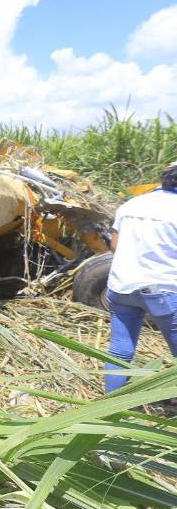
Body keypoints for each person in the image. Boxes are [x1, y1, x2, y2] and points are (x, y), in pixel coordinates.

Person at [105, 161, 177, 392]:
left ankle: (111, 406)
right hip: (164, 290)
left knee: (119, 349)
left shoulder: (131, 204)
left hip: (122, 287)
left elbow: (114, 245)